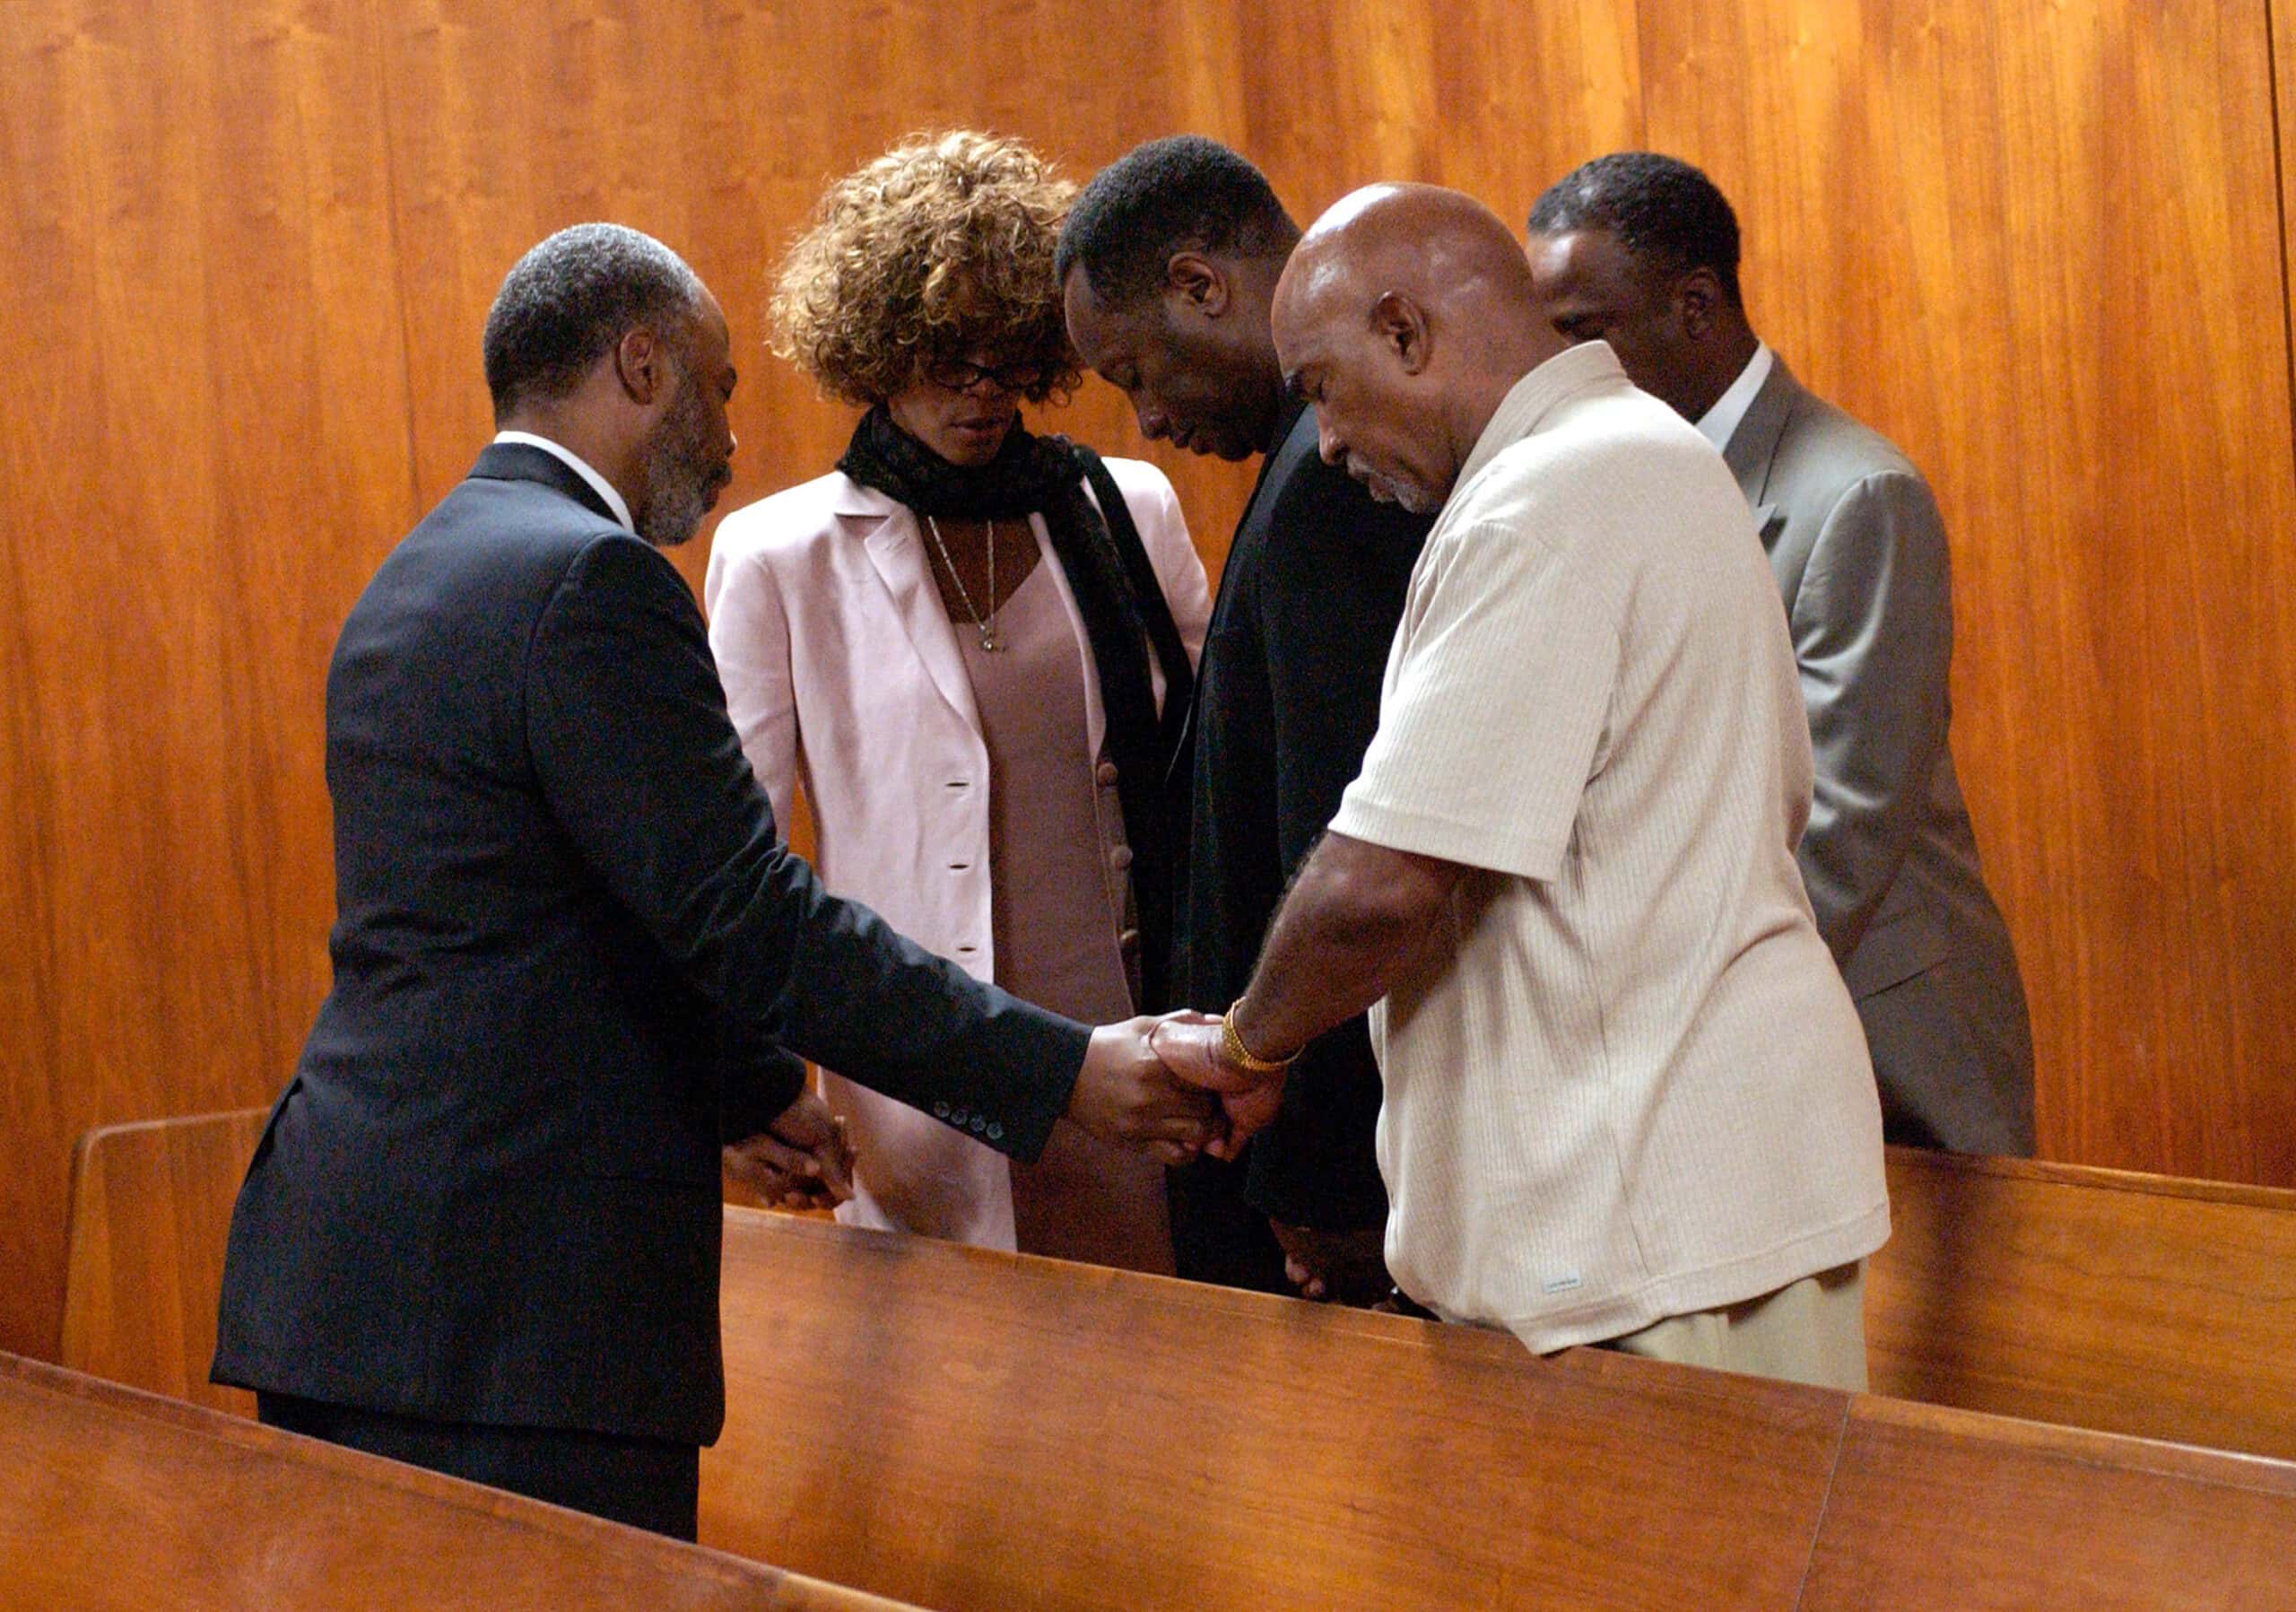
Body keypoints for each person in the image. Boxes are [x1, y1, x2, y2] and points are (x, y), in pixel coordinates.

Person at [212, 223, 1218, 1540]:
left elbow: (592, 908)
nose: (733, 435)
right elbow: (745, 913)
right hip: (517, 1316)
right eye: (721, 385)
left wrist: (749, 1089)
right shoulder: (593, 578)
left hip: (355, 1283)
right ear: (642, 364)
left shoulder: (423, 570)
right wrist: (1066, 1070)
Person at [1156, 184, 1890, 1390]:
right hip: (1673, 1212)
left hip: (1647, 1230)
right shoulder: (1628, 453)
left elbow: (1382, 886)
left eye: (1323, 390)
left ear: (1404, 331)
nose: (1324, 443)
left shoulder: (1546, 498)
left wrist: (1247, 1046)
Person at [707, 133, 1211, 1272]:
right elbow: (735, 863)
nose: (981, 393)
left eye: (1005, 358)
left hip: (1142, 1058)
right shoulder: (781, 555)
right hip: (921, 1082)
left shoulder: (1124, 508)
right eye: (946, 359)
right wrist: (753, 1085)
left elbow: (1210, 762)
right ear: (877, 349)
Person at [1525, 152, 2034, 1156]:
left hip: (1882, 1040)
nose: (1559, 369)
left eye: (1583, 332)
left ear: (1694, 306)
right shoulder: (1609, 486)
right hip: (1709, 1037)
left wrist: (1659, 1021)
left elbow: (1840, 820)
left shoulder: (1853, 495)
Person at [1056, 135, 1431, 1304]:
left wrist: (1325, 1176)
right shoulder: (1298, 466)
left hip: (1327, 1153)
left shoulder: (1332, 480)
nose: (1147, 419)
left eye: (1136, 371)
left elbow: (1348, 846)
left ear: (1200, 285)